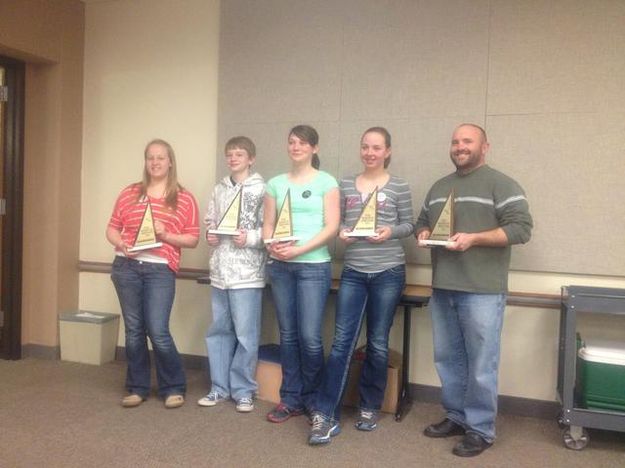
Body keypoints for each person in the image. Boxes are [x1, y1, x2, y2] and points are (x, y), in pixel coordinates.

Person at [415, 124, 532, 457]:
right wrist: (423, 233)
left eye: (467, 141)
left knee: (482, 362)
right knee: (448, 358)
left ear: (485, 147)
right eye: (455, 141)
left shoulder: (502, 184)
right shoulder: (439, 187)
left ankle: (480, 429)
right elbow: (423, 221)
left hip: (483, 290)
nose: (459, 146)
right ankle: (456, 416)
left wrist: (474, 238)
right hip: (444, 287)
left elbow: (521, 229)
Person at [308, 127, 414, 445]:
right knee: (341, 343)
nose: (370, 152)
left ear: (388, 151)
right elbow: (336, 220)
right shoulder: (344, 184)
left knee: (378, 342)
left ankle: (369, 406)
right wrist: (341, 232)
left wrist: (389, 231)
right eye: (365, 146)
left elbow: (409, 224)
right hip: (354, 270)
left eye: (376, 147)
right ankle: (326, 414)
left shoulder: (399, 186)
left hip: (389, 271)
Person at [107, 139, 199, 409]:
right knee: (134, 331)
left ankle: (173, 387)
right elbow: (112, 228)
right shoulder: (129, 193)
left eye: (161, 157)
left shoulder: (184, 197)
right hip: (126, 266)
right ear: (146, 162)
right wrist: (120, 242)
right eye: (150, 158)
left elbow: (193, 239)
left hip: (160, 269)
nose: (155, 162)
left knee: (158, 330)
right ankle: (137, 387)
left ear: (170, 162)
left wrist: (166, 234)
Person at [263, 125, 340, 423]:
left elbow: (331, 226)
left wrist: (300, 249)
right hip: (280, 266)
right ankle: (290, 398)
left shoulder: (326, 182)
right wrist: (273, 246)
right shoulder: (276, 184)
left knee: (309, 337)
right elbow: (267, 224)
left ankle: (314, 400)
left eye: (303, 143)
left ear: (314, 149)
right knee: (288, 335)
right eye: (292, 142)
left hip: (313, 267)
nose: (296, 147)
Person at [198, 136, 266, 413]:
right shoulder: (219, 189)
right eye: (230, 154)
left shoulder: (263, 189)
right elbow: (210, 222)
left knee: (246, 335)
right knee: (219, 331)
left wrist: (249, 238)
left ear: (251, 159)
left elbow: (271, 231)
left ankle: (243, 390)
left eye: (240, 154)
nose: (234, 158)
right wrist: (210, 236)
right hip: (220, 272)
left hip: (247, 272)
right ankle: (219, 388)